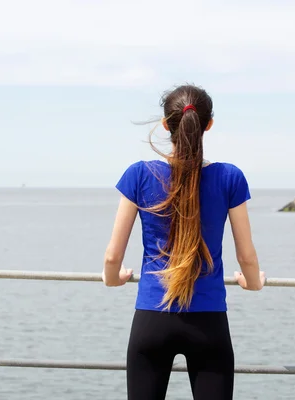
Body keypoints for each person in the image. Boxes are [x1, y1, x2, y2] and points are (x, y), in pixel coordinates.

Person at [102, 84, 266, 400]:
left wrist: (114, 280)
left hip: (151, 319)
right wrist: (254, 283)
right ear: (209, 124)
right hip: (209, 323)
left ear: (166, 124)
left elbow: (112, 257)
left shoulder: (139, 175)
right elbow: (246, 257)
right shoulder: (230, 177)